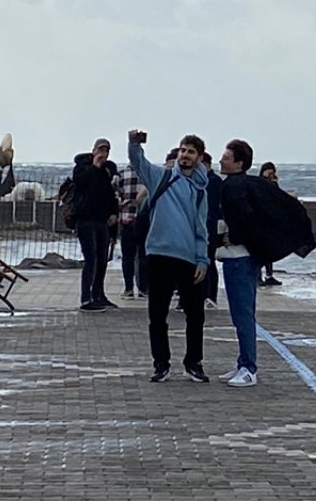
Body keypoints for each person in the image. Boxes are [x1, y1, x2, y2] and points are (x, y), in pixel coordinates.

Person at [217, 141, 316, 387]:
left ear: (239, 163)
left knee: (242, 314)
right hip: (246, 258)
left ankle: (248, 368)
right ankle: (243, 361)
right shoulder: (250, 184)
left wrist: (231, 238)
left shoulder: (234, 187)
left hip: (239, 258)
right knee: (242, 312)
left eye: (227, 157)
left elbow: (244, 220)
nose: (222, 160)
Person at [128, 129, 211, 383]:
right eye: (182, 150)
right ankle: (161, 364)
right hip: (159, 254)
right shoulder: (161, 177)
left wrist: (202, 259)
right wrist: (134, 143)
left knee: (195, 314)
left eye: (191, 152)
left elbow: (201, 228)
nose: (185, 155)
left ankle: (193, 363)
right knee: (157, 314)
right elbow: (138, 163)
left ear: (199, 158)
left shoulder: (199, 191)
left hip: (187, 258)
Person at [71, 137, 120, 312]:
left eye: (106, 151)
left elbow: (110, 194)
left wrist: (114, 213)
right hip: (85, 220)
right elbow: (81, 183)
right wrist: (95, 167)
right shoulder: (82, 167)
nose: (103, 154)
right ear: (93, 151)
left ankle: (99, 294)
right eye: (100, 150)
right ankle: (86, 298)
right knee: (91, 259)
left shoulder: (108, 172)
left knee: (102, 260)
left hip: (102, 221)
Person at [114, 164, 149, 298]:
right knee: (143, 255)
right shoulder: (148, 174)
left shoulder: (121, 174)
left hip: (126, 219)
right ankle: (143, 289)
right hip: (144, 219)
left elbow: (115, 195)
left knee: (127, 256)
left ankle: (128, 289)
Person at [201, 152, 223, 309]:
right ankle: (204, 294)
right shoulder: (202, 180)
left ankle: (211, 295)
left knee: (209, 261)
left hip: (210, 226)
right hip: (203, 225)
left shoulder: (213, 181)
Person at [257, 162, 282, 287]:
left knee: (270, 251)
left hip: (271, 220)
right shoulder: (259, 182)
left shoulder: (274, 183)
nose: (271, 173)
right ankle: (258, 276)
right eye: (268, 171)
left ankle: (269, 275)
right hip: (260, 220)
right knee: (260, 250)